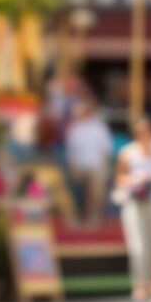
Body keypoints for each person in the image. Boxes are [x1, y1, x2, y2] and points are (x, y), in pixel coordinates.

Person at [114, 113, 151, 302]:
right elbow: (120, 178)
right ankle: (139, 284)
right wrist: (135, 179)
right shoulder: (127, 153)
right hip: (135, 202)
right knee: (138, 246)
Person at [62, 96, 113, 229]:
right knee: (78, 193)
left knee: (96, 192)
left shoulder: (99, 128)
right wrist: (73, 166)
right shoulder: (74, 128)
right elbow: (71, 150)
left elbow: (105, 150)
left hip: (96, 166)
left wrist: (104, 167)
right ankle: (81, 218)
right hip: (79, 167)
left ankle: (93, 219)